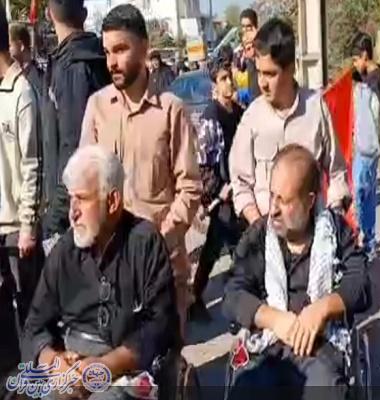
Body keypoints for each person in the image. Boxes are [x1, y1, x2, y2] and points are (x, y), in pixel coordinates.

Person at [80, 4, 202, 335]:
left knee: (165, 362)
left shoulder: (171, 111)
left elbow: (190, 187)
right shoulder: (98, 108)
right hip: (110, 276)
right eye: (107, 52)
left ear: (145, 48)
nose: (112, 62)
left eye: (120, 49)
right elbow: (85, 184)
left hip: (162, 272)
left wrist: (159, 240)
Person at [21, 145, 179, 400]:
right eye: (71, 199)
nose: (73, 213)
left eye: (82, 199)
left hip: (126, 367)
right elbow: (34, 326)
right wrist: (52, 361)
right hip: (70, 364)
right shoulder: (65, 251)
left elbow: (160, 326)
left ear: (113, 201)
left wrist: (106, 365)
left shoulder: (144, 243)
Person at [223, 144, 370, 399]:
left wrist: (323, 308)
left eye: (285, 200)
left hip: (320, 348)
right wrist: (273, 318)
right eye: (272, 196)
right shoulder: (259, 236)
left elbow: (360, 283)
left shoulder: (335, 233)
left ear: (309, 201)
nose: (274, 209)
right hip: (267, 347)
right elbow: (232, 293)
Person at [229, 18, 350, 226]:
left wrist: (332, 220)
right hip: (267, 233)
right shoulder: (252, 118)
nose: (262, 83)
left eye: (270, 74)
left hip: (314, 234)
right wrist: (258, 226)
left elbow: (337, 173)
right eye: (259, 72)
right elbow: (240, 183)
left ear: (291, 69)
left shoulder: (316, 109)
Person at [42, 0, 111, 241]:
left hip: (74, 213)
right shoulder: (99, 58)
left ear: (49, 14)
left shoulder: (73, 66)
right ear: (84, 13)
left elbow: (74, 148)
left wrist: (54, 218)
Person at [0, 7, 43, 393]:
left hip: (17, 227)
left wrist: (28, 223)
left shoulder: (22, 93)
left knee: (29, 311)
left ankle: (37, 381)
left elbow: (31, 164)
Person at [191, 58, 244, 319]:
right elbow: (203, 164)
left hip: (239, 190)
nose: (229, 82)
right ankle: (195, 298)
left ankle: (238, 294)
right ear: (214, 85)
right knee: (224, 246)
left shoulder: (239, 112)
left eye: (229, 76)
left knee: (232, 246)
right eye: (223, 79)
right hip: (222, 198)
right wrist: (219, 189)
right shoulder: (211, 118)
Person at [351, 70, 380, 261]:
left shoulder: (363, 95)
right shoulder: (369, 94)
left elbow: (368, 130)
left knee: (360, 196)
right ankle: (368, 243)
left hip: (366, 153)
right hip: (369, 152)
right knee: (367, 196)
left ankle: (364, 241)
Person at [351, 32, 380, 126]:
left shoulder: (373, 84)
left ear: (364, 55)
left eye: (355, 60)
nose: (354, 65)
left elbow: (371, 116)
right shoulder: (370, 74)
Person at [8, 23, 43, 98]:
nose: (7, 50)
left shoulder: (37, 76)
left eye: (9, 45)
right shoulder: (13, 74)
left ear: (21, 46)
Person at [239, 8, 260, 102]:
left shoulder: (262, 45)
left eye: (249, 27)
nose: (245, 31)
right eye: (243, 27)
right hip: (252, 100)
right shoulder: (241, 50)